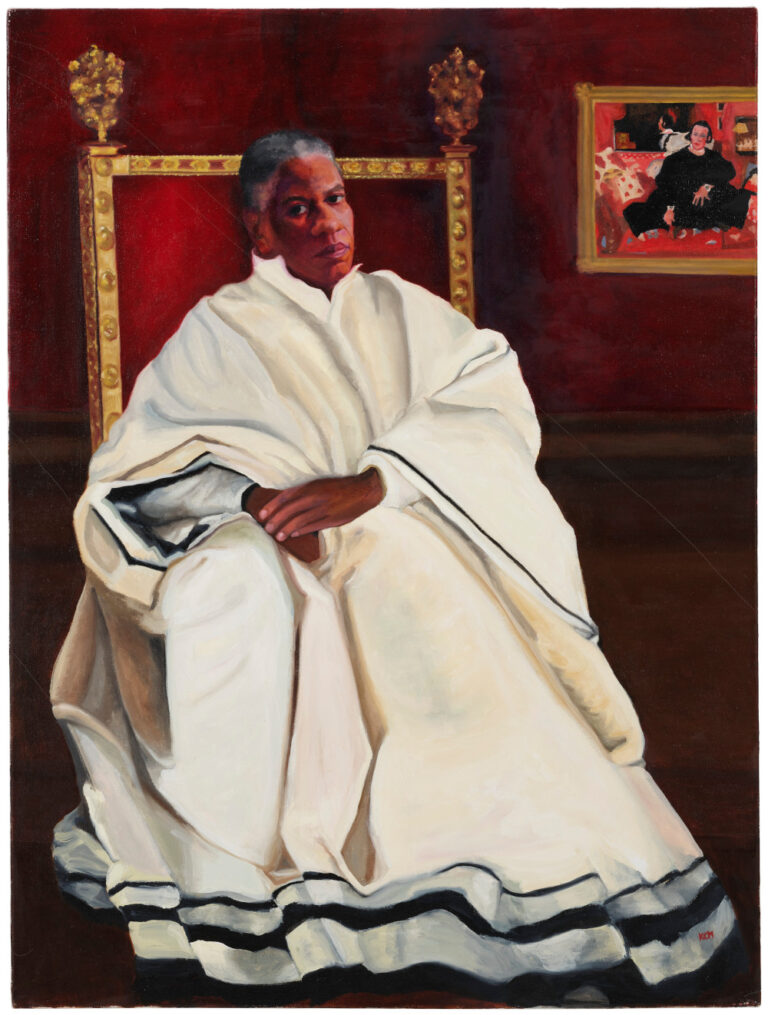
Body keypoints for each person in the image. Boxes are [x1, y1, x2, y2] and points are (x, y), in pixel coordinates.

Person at [51, 130, 746, 1004]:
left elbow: (489, 406)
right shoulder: (219, 329)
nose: (328, 222)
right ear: (259, 229)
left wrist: (377, 482)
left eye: (335, 199)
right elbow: (137, 473)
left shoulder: (403, 309)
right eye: (298, 208)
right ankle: (275, 872)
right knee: (247, 590)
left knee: (416, 581)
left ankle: (517, 879)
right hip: (270, 551)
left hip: (396, 536)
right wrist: (252, 502)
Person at [624, 120, 751, 237]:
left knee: (738, 196)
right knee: (649, 209)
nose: (698, 138)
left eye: (702, 135)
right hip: (682, 201)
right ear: (690, 136)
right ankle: (703, 221)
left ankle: (712, 220)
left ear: (708, 138)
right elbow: (665, 184)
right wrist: (669, 209)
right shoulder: (675, 159)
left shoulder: (713, 156)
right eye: (695, 134)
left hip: (707, 199)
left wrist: (706, 186)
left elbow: (729, 171)